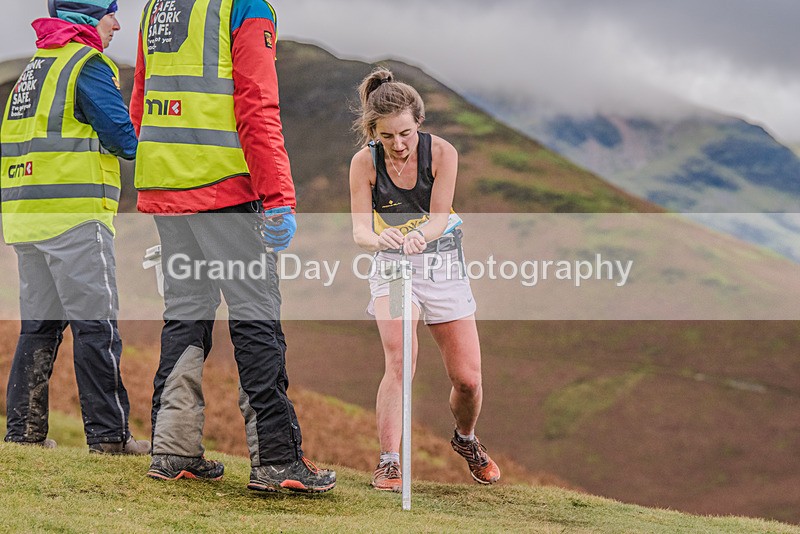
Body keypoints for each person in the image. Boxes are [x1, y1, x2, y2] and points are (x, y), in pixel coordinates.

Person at [130, 0, 335, 493]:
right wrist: (278, 197)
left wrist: (171, 170)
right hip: (226, 187)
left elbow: (139, 101)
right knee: (255, 314)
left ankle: (173, 449)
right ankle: (277, 460)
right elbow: (256, 105)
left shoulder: (156, 8)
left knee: (185, 313)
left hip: (166, 186)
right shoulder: (244, 6)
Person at [0, 0, 149, 455]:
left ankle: (22, 434)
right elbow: (124, 139)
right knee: (96, 327)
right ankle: (109, 437)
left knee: (39, 327)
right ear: (88, 16)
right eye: (110, 14)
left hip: (27, 216)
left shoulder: (36, 67)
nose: (117, 24)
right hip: (75, 217)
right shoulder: (87, 63)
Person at [349, 68, 501, 491]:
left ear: (419, 123)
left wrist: (418, 235)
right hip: (393, 267)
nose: (397, 145)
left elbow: (438, 219)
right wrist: (383, 238)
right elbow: (360, 231)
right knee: (400, 359)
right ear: (373, 132)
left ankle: (465, 440)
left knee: (468, 380)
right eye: (387, 136)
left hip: (442, 265)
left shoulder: (442, 153)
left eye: (405, 134)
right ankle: (389, 461)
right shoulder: (364, 163)